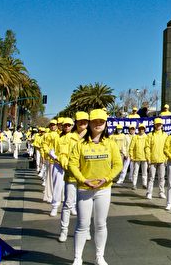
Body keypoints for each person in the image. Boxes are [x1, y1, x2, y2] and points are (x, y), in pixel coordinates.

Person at [69, 109, 122, 265]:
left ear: (105, 124)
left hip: (103, 189)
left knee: (100, 224)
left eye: (101, 121)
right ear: (89, 123)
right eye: (95, 121)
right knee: (82, 225)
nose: (98, 124)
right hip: (84, 189)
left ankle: (100, 256)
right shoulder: (80, 144)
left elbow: (118, 164)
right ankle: (77, 258)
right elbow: (72, 164)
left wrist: (106, 178)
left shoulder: (111, 144)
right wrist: (83, 180)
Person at [58, 112, 89, 242]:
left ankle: (86, 230)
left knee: (86, 206)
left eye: (85, 121)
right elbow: (62, 155)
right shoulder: (67, 137)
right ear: (76, 122)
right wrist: (69, 166)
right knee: (68, 204)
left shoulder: (92, 137)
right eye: (80, 121)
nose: (83, 123)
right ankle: (64, 231)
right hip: (71, 176)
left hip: (87, 177)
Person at [49, 118, 73, 216]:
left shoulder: (75, 137)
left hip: (71, 165)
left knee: (72, 187)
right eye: (65, 125)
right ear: (62, 126)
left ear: (72, 126)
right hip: (58, 164)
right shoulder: (57, 137)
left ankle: (72, 206)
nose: (67, 127)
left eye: (69, 125)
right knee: (57, 186)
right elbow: (51, 150)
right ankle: (55, 206)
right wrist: (56, 158)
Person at [146, 118, 168, 200]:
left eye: (160, 124)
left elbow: (167, 147)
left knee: (162, 177)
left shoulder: (165, 135)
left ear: (162, 125)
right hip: (152, 160)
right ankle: (149, 192)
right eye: (157, 124)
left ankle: (161, 192)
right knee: (151, 177)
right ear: (154, 125)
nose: (158, 125)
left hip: (162, 160)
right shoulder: (150, 135)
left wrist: (166, 158)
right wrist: (148, 158)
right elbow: (147, 148)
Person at [129, 124, 148, 190]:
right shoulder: (135, 137)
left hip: (144, 157)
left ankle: (144, 184)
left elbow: (148, 148)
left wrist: (148, 157)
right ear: (138, 129)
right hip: (136, 157)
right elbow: (131, 147)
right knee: (135, 172)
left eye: (143, 129)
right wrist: (131, 156)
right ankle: (134, 184)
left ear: (144, 129)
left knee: (145, 172)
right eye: (140, 128)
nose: (141, 130)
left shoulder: (147, 137)